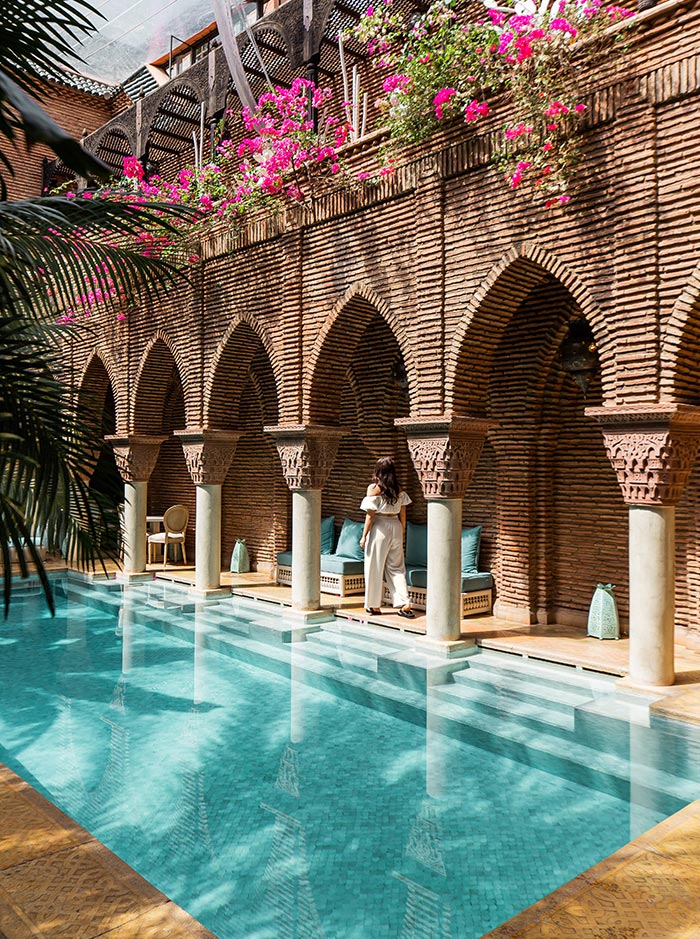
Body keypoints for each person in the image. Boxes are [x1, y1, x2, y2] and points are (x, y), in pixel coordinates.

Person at [359, 457, 414, 618]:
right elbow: (403, 514)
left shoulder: (374, 489)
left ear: (378, 471)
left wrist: (364, 536)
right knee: (397, 567)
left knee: (374, 566)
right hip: (395, 525)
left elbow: (370, 516)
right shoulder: (399, 489)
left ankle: (373, 605)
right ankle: (405, 602)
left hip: (380, 527)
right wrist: (402, 533)